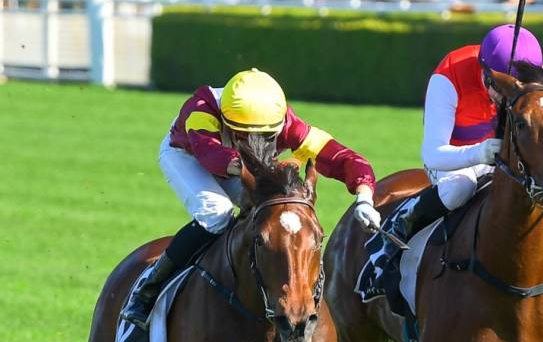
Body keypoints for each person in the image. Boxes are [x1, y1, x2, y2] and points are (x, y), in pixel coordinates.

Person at [120, 69, 380, 325]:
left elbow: (343, 157)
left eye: (267, 137)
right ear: (227, 120)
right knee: (217, 212)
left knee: (273, 212)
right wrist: (263, 172)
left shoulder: (289, 123)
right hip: (187, 156)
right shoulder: (201, 108)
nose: (257, 142)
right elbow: (209, 154)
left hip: (243, 165)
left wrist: (364, 197)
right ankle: (149, 289)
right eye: (244, 136)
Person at [363, 25, 540, 294]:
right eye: (501, 89)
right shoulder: (448, 77)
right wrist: (480, 153)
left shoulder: (530, 81)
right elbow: (432, 154)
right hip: (454, 162)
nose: (507, 98)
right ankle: (397, 232)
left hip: (501, 159)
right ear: (486, 72)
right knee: (459, 189)